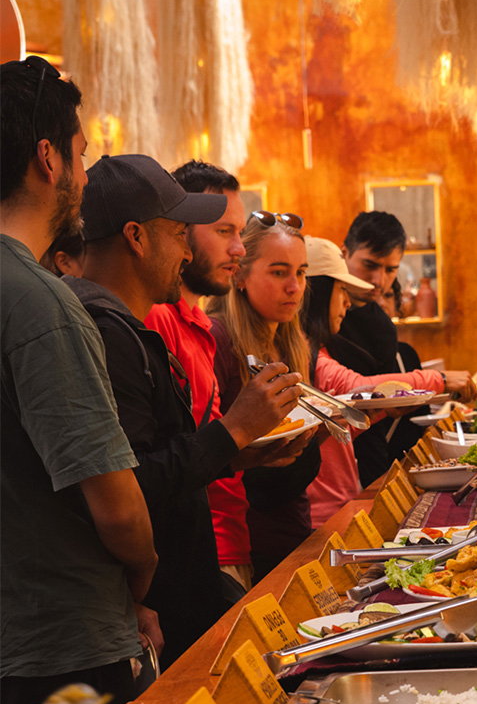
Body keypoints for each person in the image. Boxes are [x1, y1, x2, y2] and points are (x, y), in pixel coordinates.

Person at [64, 155, 303, 667]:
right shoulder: (105, 333)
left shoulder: (130, 329)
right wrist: (233, 430)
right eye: (178, 233)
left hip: (180, 592)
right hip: (155, 615)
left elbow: (162, 458)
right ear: (136, 237)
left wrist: (239, 454)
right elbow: (130, 483)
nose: (187, 249)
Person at [1, 57, 158, 704]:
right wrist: (146, 570)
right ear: (49, 158)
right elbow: (117, 506)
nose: (87, 176)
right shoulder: (41, 303)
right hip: (64, 650)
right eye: (82, 154)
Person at [301, 236, 475, 526]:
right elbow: (356, 387)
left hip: (339, 506)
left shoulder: (320, 347)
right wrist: (440, 379)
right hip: (320, 519)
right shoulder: (307, 355)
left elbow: (336, 430)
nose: (346, 302)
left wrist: (382, 410)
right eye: (341, 290)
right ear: (318, 294)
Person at [145, 160, 253, 597]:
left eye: (241, 233)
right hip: (195, 552)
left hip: (227, 538)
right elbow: (161, 460)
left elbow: (205, 440)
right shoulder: (156, 319)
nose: (240, 249)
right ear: (181, 231)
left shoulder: (202, 324)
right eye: (225, 231)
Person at [207, 212, 321, 581]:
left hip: (292, 539)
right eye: (278, 272)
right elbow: (210, 456)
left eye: (301, 272)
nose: (295, 287)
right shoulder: (217, 341)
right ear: (239, 274)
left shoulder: (290, 343)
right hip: (240, 551)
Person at [326, 211, 408, 486]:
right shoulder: (314, 309)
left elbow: (378, 417)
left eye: (390, 269)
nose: (379, 280)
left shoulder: (383, 326)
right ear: (344, 252)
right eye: (370, 265)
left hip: (367, 456)